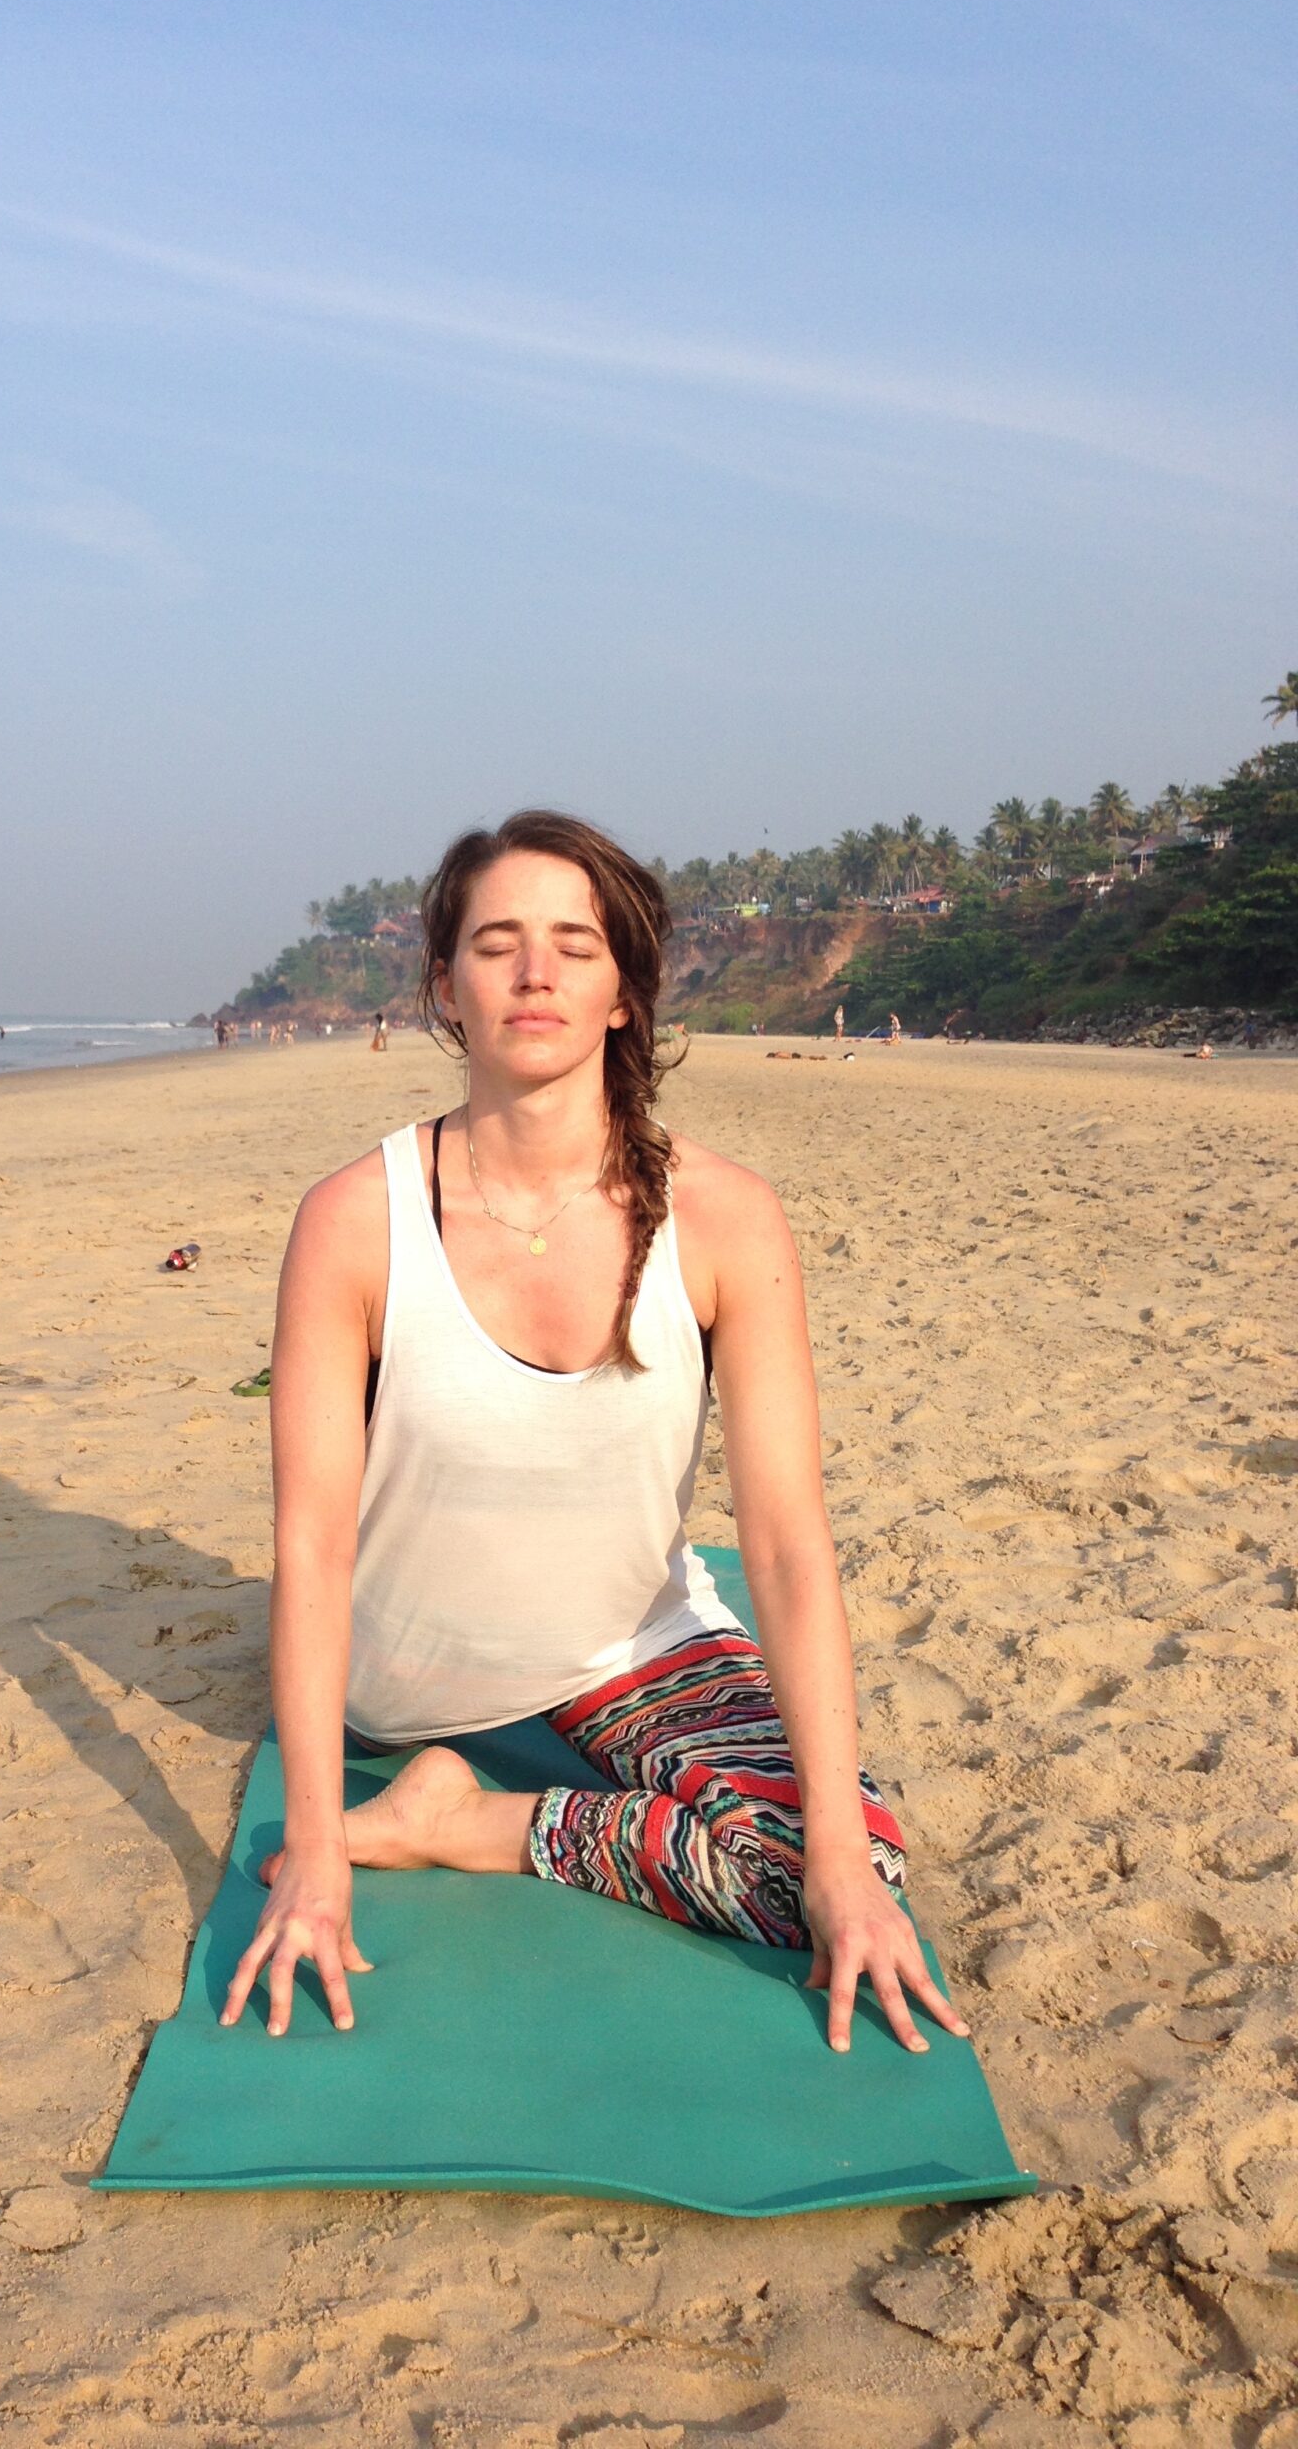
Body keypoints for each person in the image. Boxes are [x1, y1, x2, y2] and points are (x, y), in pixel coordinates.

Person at [221, 810, 965, 2059]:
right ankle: (426, 1789)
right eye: (496, 943)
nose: (534, 974)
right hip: (409, 1678)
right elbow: (310, 1543)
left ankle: (456, 1824)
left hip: (634, 1651)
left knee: (837, 1868)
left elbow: (783, 1541)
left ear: (624, 989)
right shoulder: (355, 1220)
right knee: (809, 1858)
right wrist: (313, 1855)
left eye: (574, 945)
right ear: (445, 985)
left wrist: (835, 1851)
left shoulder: (726, 1217)